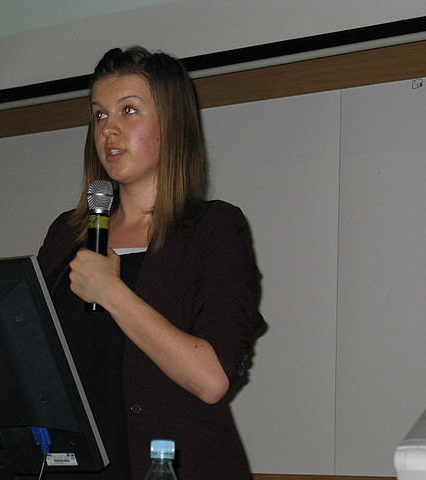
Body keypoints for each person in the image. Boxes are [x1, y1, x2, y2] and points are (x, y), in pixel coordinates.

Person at [37, 46, 264, 480]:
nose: (108, 130)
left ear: (171, 124)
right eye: (99, 115)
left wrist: (112, 293)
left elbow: (211, 379)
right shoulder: (68, 234)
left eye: (128, 110)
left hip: (171, 468)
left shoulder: (213, 229)